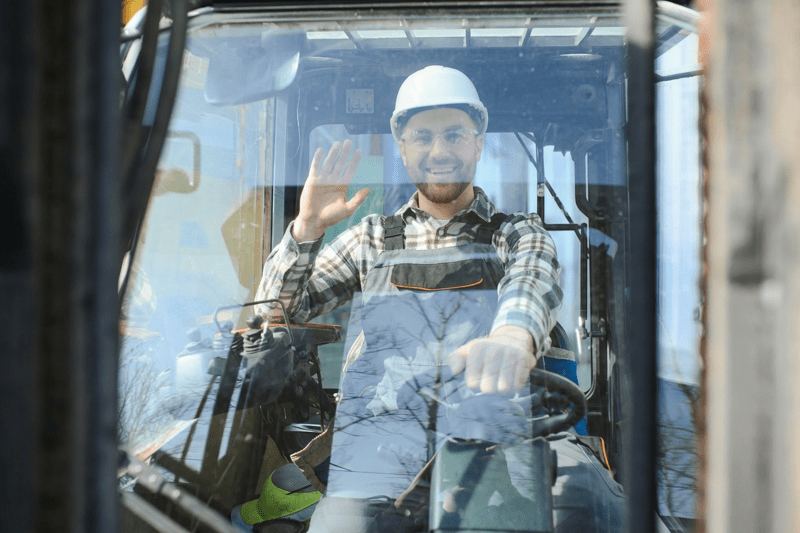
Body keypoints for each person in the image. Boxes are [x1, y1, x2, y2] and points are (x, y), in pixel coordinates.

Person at [255, 65, 624, 533]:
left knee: (586, 503)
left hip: (501, 440)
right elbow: (275, 313)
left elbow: (532, 281)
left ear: (477, 144)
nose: (439, 150)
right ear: (403, 148)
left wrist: (512, 338)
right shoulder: (370, 239)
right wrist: (307, 229)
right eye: (423, 137)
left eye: (454, 135)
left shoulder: (517, 233)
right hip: (383, 448)